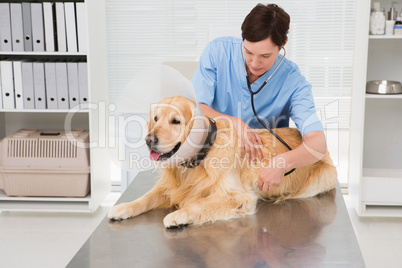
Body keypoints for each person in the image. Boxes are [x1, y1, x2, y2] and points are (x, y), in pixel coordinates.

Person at [191, 3, 328, 192]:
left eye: (265, 55)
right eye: (248, 52)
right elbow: (195, 108)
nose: (254, 63)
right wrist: (232, 122)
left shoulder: (293, 81)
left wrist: (282, 162)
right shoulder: (217, 53)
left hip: (256, 175)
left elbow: (318, 143)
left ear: (283, 45)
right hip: (209, 162)